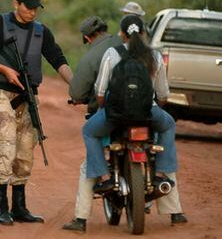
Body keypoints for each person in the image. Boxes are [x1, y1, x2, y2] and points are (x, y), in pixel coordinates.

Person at [63, 15, 187, 232]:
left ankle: (93, 195)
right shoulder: (155, 57)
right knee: (168, 126)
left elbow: (100, 92)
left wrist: (104, 107)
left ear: (121, 34)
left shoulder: (112, 53)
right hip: (148, 113)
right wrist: (153, 105)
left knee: (89, 132)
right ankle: (165, 186)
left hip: (116, 115)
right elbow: (163, 95)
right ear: (143, 34)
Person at [0, 0, 73, 225]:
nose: (33, 12)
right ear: (16, 4)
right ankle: (1, 207)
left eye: (37, 8)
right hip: (5, 94)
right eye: (29, 7)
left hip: (29, 98)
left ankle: (19, 207)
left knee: (25, 151)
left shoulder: (41, 31)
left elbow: (58, 60)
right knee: (5, 147)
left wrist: (76, 84)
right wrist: (3, 69)